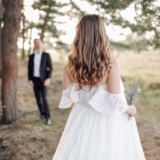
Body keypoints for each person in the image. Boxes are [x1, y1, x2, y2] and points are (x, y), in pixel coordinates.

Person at [52, 15, 146, 160]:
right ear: (101, 33)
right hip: (108, 120)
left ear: (79, 34)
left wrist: (84, 107)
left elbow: (69, 100)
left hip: (80, 117)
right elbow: (115, 101)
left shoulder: (69, 65)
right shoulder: (110, 62)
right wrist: (130, 110)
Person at [28, 39, 53, 125]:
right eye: (35, 43)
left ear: (41, 43)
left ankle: (48, 117)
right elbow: (29, 69)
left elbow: (50, 68)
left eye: (38, 42)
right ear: (34, 45)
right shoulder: (31, 56)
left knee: (44, 98)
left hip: (43, 81)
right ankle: (42, 113)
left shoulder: (46, 55)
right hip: (34, 80)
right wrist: (30, 80)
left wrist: (48, 78)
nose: (37, 44)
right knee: (38, 98)